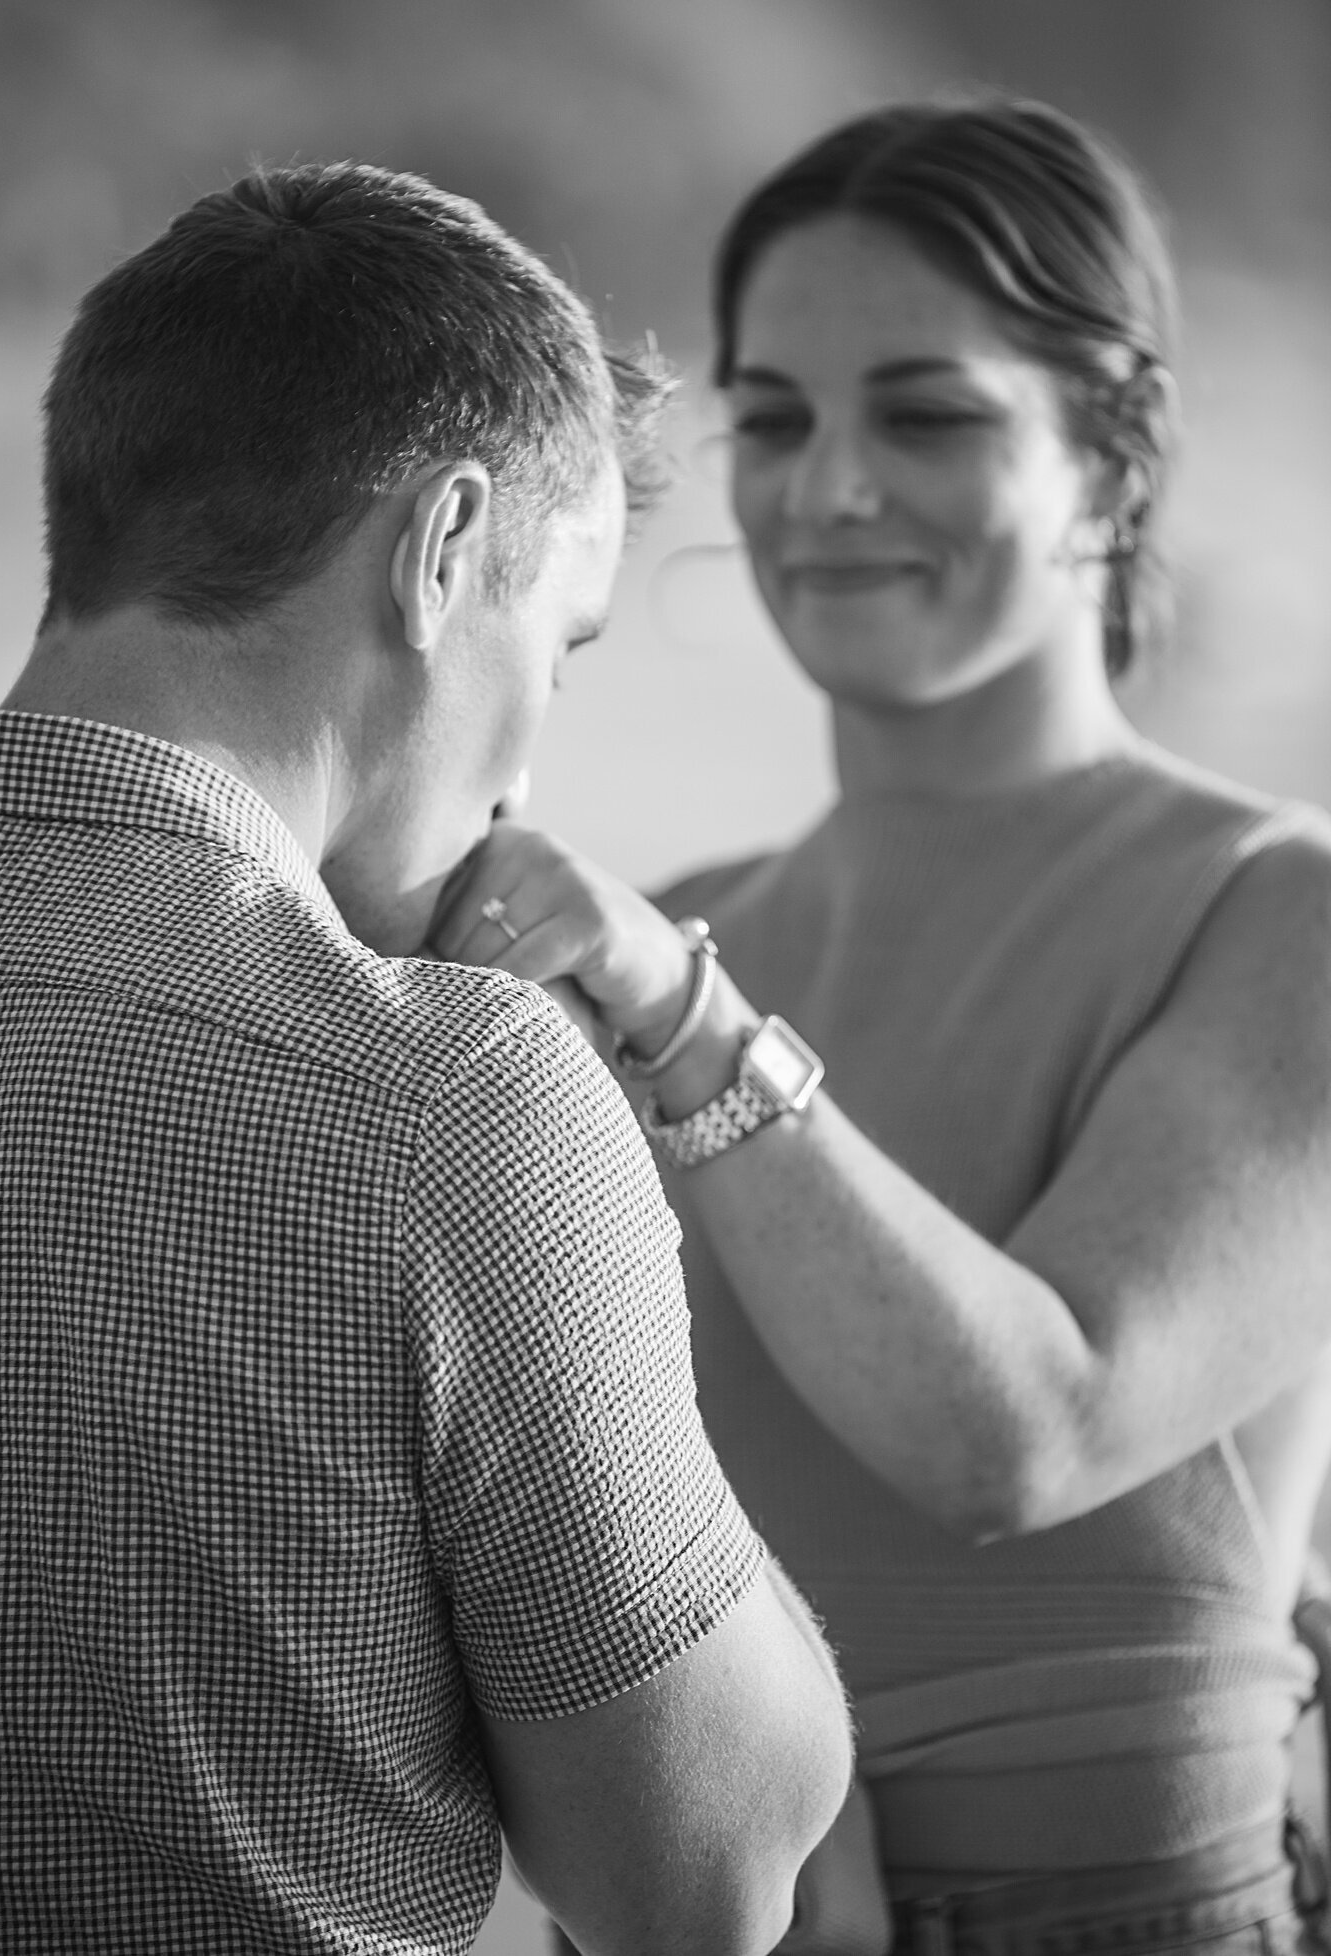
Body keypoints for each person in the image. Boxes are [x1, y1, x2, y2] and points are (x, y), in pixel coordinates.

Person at [430, 99, 1331, 1956]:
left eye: (926, 414)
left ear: (1115, 459)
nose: (829, 488)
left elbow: (1032, 1432)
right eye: (774, 418)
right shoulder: (693, 921)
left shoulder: (1276, 903)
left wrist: (679, 1023)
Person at [0, 162, 856, 1955]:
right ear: (443, 554)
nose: (528, 775)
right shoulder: (444, 1095)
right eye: (560, 649)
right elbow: (703, 1876)